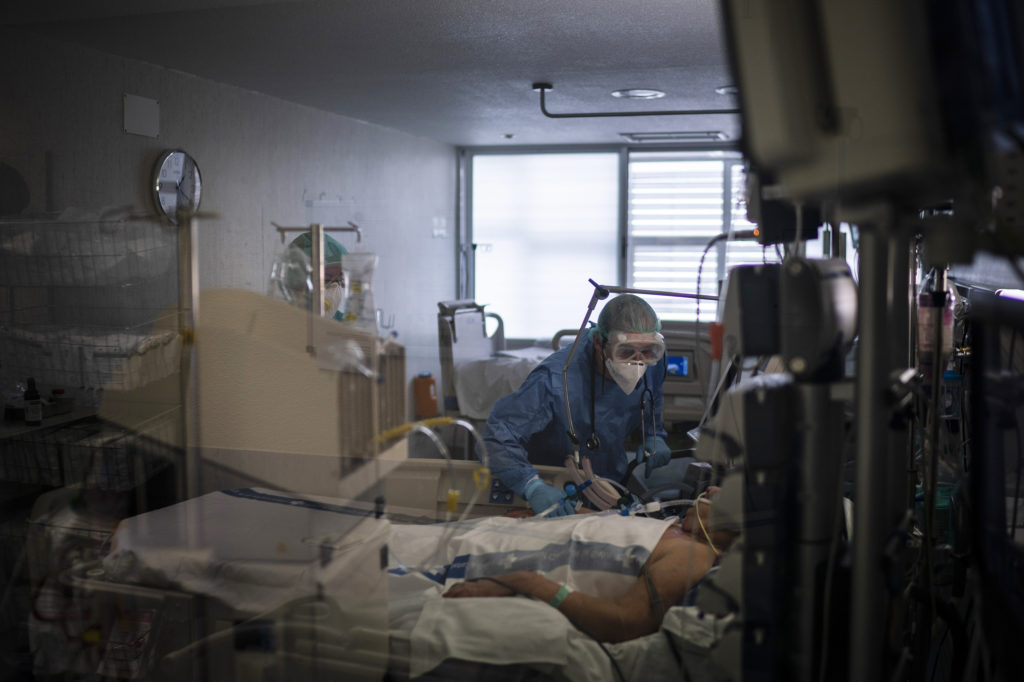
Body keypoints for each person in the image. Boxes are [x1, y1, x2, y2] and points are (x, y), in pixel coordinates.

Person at [481, 293, 678, 516]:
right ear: (598, 343)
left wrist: (654, 435)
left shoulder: (653, 356)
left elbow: (652, 398)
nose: (637, 361)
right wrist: (531, 486)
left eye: (647, 351)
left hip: (608, 480)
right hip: (555, 488)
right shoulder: (555, 381)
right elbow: (495, 437)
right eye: (625, 352)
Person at [441, 515, 718, 643]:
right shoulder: (681, 532)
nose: (712, 489)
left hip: (468, 571)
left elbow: (624, 623)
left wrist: (528, 583)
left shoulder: (695, 557)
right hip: (488, 539)